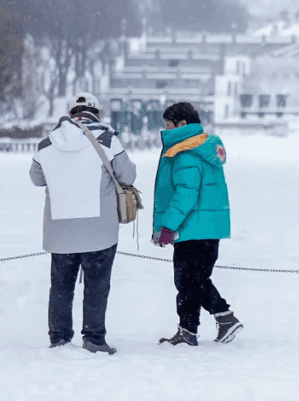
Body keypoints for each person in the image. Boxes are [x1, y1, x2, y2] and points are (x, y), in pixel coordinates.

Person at [30, 92, 137, 354]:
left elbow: (36, 178)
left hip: (60, 229)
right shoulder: (108, 140)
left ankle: (59, 337)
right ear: (96, 114)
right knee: (97, 285)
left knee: (61, 286)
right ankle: (94, 338)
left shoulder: (47, 143)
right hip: (99, 229)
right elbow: (128, 174)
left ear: (71, 114)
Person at [153, 102, 242, 346]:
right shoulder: (204, 148)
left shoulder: (185, 153)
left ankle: (224, 318)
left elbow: (185, 194)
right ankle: (188, 331)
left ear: (181, 124)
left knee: (189, 281)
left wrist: (167, 227)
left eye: (168, 124)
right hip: (209, 227)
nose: (166, 129)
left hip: (191, 228)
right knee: (195, 280)